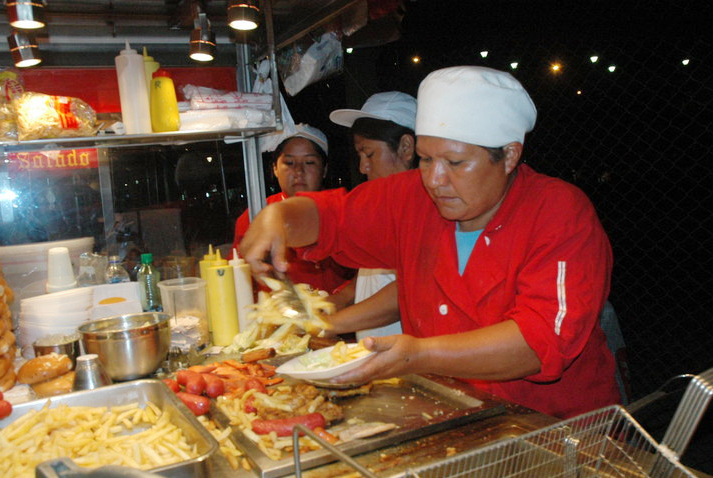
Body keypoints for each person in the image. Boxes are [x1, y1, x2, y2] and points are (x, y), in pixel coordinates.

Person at [239, 66, 620, 419]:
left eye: (455, 163)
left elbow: (536, 343)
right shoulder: (413, 197)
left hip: (557, 429)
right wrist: (281, 218)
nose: (435, 179)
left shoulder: (559, 213)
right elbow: (332, 218)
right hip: (456, 415)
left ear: (508, 156)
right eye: (424, 159)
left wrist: (418, 355)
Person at [326, 91, 417, 340]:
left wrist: (327, 323)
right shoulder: (384, 205)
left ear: (406, 147)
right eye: (359, 156)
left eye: (369, 154)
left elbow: (403, 294)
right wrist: (340, 298)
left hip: (403, 354)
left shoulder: (421, 211)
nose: (362, 167)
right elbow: (374, 270)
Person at [231, 124, 354, 295]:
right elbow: (238, 279)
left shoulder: (344, 209)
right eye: (289, 163)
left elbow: (365, 274)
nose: (298, 171)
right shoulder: (256, 216)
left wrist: (341, 299)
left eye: (309, 162)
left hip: (344, 314)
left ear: (324, 170)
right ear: (274, 169)